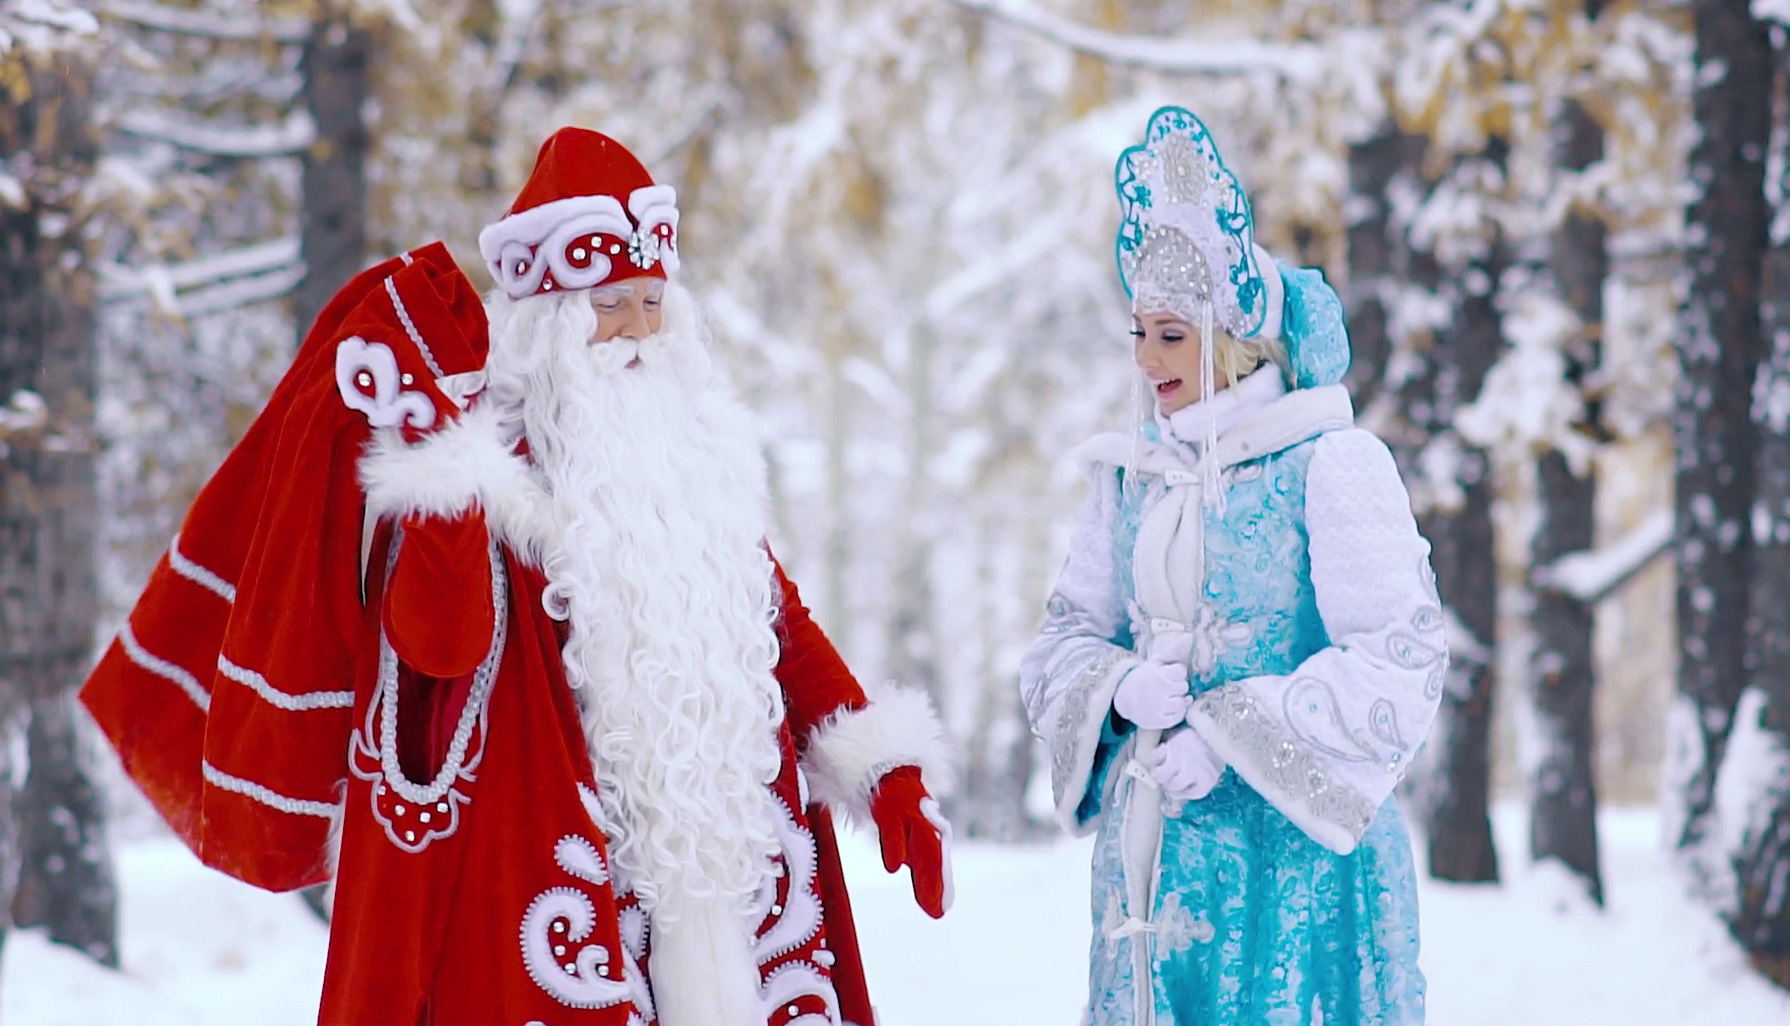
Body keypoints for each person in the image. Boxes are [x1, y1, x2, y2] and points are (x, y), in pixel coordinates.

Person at [82, 127, 954, 1026]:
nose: (640, 331)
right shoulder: (494, 475)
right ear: (549, 323)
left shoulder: (695, 460)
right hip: (563, 884)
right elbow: (434, 649)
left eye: (655, 302)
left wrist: (881, 766)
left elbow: (774, 621)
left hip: (735, 890)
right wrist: (448, 483)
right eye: (613, 304)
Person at [1020, 105, 1446, 1025]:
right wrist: (1116, 686)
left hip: (1296, 879)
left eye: (1171, 335)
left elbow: (1401, 661)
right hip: (1155, 867)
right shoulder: (1129, 476)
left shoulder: (1329, 462)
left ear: (1234, 335)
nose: (1147, 360)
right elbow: (1061, 639)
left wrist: (1229, 735)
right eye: (1138, 333)